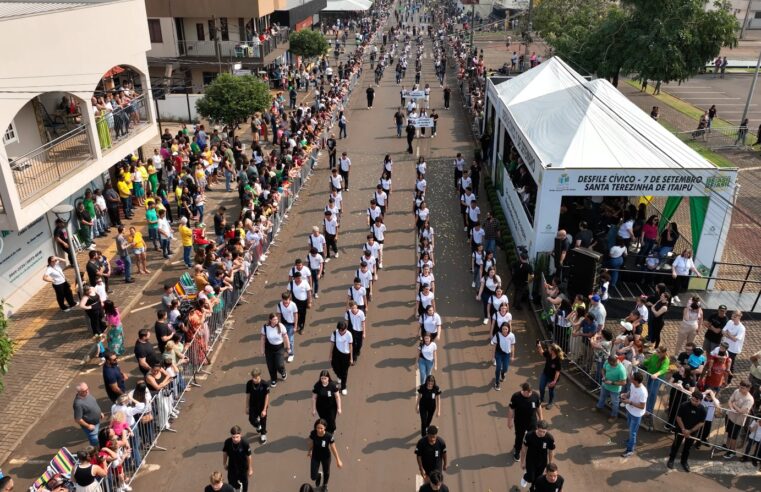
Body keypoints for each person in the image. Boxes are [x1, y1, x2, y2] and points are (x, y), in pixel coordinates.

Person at [667, 390, 707, 472]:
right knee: (676, 445)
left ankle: (684, 462)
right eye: (693, 400)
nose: (694, 402)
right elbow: (678, 418)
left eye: (696, 401)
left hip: (692, 432)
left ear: (700, 401)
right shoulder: (684, 405)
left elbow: (701, 423)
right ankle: (671, 459)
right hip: (681, 429)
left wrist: (690, 431)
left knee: (687, 447)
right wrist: (683, 429)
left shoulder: (703, 410)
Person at [509, 382, 543, 462]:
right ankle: (517, 451)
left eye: (530, 392)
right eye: (527, 392)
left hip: (532, 421)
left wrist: (541, 418)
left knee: (533, 436)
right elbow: (511, 409)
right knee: (519, 437)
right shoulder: (516, 396)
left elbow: (539, 407)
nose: (529, 394)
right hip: (519, 422)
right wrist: (509, 421)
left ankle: (531, 450)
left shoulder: (535, 395)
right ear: (523, 391)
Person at [307, 418, 343, 490]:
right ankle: (318, 475)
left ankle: (325, 485)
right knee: (313, 477)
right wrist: (309, 451)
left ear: (325, 428)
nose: (319, 430)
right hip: (315, 456)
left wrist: (338, 460)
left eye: (321, 428)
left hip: (326, 457)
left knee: (326, 472)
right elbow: (311, 443)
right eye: (317, 428)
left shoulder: (329, 436)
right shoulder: (313, 433)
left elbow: (333, 448)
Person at [723, 381, 755, 459]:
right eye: (740, 387)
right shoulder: (737, 391)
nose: (740, 389)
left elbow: (742, 411)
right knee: (728, 432)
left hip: (738, 421)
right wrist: (731, 407)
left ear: (748, 389)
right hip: (730, 415)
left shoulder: (749, 399)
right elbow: (730, 400)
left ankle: (732, 451)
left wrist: (733, 405)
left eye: (743, 388)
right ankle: (727, 446)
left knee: (733, 437)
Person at [520, 420, 555, 489]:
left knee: (537, 479)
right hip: (531, 460)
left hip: (542, 461)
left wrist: (549, 464)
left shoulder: (550, 438)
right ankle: (526, 477)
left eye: (544, 432)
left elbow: (551, 451)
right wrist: (522, 462)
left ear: (547, 430)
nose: (541, 433)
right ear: (537, 428)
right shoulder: (529, 435)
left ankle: (532, 489)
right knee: (531, 478)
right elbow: (524, 449)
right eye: (540, 431)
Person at [621, 371, 648, 457]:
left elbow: (642, 406)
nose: (630, 378)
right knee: (630, 428)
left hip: (636, 414)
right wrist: (626, 394)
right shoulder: (633, 385)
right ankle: (630, 441)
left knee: (633, 432)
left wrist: (630, 402)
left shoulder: (643, 392)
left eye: (632, 378)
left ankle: (630, 450)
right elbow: (631, 391)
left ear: (636, 381)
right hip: (629, 410)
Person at [260, 313, 289, 387]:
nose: (276, 321)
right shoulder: (265, 327)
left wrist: (288, 347)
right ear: (270, 320)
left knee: (279, 364)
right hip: (269, 349)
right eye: (274, 319)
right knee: (270, 365)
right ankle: (273, 379)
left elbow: (285, 337)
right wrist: (262, 350)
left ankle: (283, 372)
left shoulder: (281, 326)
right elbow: (263, 339)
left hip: (279, 348)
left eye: (277, 319)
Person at [596, 355, 627, 422]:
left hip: (615, 390)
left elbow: (624, 382)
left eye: (612, 364)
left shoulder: (621, 369)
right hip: (605, 385)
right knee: (602, 397)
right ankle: (599, 407)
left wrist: (612, 383)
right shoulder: (607, 362)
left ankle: (614, 416)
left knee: (615, 403)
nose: (611, 365)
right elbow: (603, 369)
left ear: (615, 361)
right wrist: (604, 376)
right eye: (610, 364)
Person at [222, 425, 253, 492]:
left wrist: (250, 468)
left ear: (240, 435)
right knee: (231, 481)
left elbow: (249, 456)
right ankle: (235, 489)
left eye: (237, 437)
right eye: (233, 437)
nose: (235, 439)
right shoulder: (227, 442)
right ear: (231, 436)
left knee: (244, 481)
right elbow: (225, 453)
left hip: (243, 466)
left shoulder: (245, 443)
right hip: (232, 465)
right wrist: (224, 463)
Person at [245, 368, 271, 444]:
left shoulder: (265, 384)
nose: (254, 379)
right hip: (252, 405)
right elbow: (248, 395)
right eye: (253, 377)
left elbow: (267, 397)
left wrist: (264, 409)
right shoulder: (249, 383)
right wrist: (247, 407)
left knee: (263, 420)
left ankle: (263, 434)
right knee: (251, 419)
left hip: (262, 406)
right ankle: (258, 425)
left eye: (255, 377)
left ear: (259, 376)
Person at [721, 310, 746, 384]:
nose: (732, 318)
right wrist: (730, 336)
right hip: (725, 346)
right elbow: (723, 331)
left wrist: (728, 333)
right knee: (723, 362)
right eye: (732, 316)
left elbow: (735, 339)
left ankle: (728, 380)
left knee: (730, 365)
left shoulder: (741, 328)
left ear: (739, 317)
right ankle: (722, 377)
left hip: (733, 349)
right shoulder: (729, 322)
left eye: (734, 317)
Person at [537, 342, 563, 410]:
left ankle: (550, 402)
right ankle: (541, 398)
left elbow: (558, 372)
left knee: (551, 390)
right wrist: (539, 347)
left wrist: (554, 381)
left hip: (552, 377)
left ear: (553, 351)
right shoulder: (548, 353)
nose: (548, 349)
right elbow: (542, 353)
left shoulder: (558, 360)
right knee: (541, 387)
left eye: (549, 349)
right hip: (545, 374)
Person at [330, 321, 353, 395]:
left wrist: (351, 358)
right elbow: (332, 344)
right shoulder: (334, 333)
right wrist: (330, 355)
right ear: (338, 329)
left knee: (344, 372)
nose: (342, 332)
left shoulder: (349, 334)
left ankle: (343, 387)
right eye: (341, 330)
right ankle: (339, 376)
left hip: (346, 355)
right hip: (336, 353)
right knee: (334, 366)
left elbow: (350, 346)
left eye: (344, 330)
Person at [491, 322, 516, 391]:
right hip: (499, 353)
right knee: (498, 367)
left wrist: (512, 356)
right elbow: (494, 346)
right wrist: (493, 357)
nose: (504, 330)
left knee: (505, 368)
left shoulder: (511, 336)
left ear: (508, 329)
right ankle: (497, 383)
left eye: (506, 329)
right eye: (503, 329)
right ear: (501, 329)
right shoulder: (497, 335)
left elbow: (512, 345)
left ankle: (502, 373)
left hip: (506, 354)